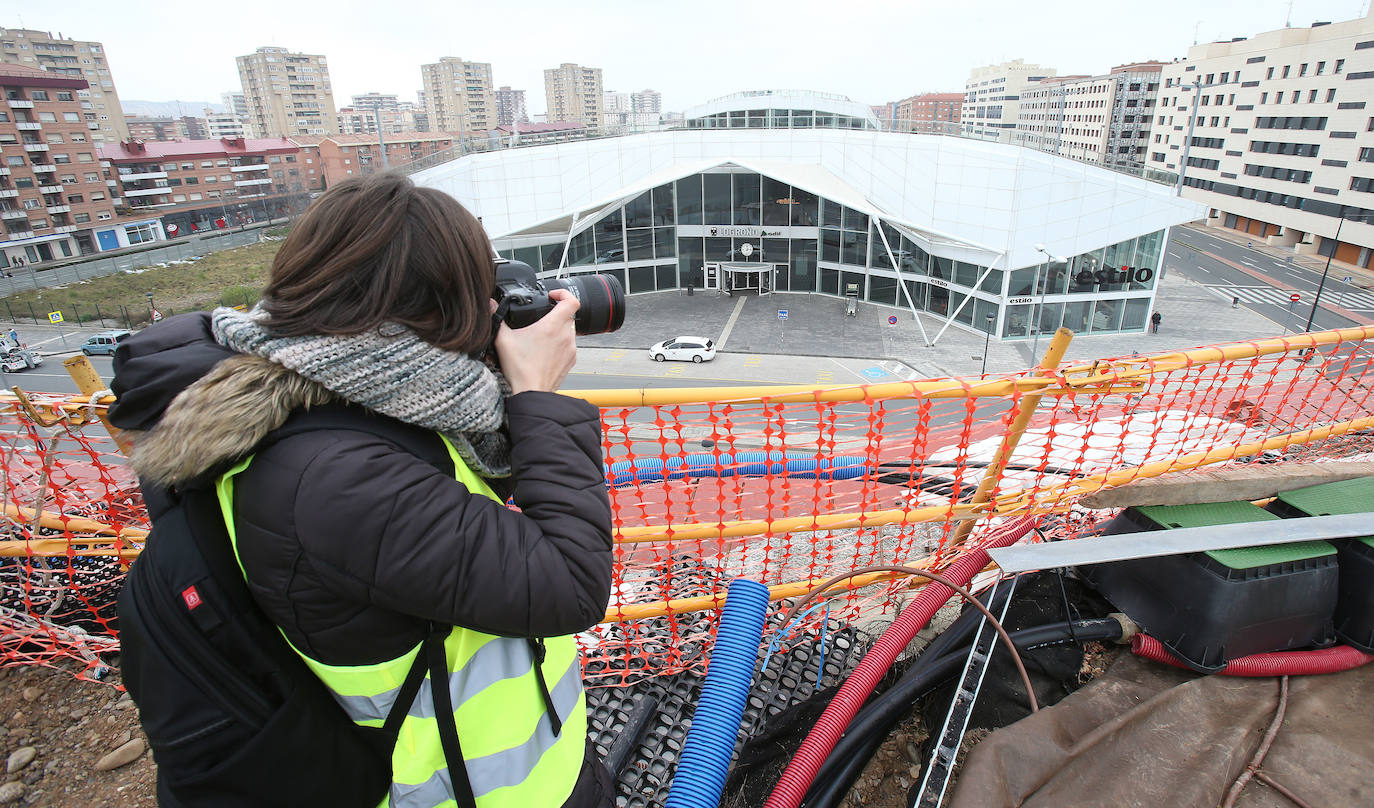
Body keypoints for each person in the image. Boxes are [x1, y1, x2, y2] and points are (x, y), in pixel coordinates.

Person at [109, 173, 615, 807]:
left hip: (515, 763)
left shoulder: (338, 400)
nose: (492, 311)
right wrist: (537, 395)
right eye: (480, 294)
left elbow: (459, 516)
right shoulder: (334, 475)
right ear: (440, 306)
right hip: (472, 793)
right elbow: (569, 580)